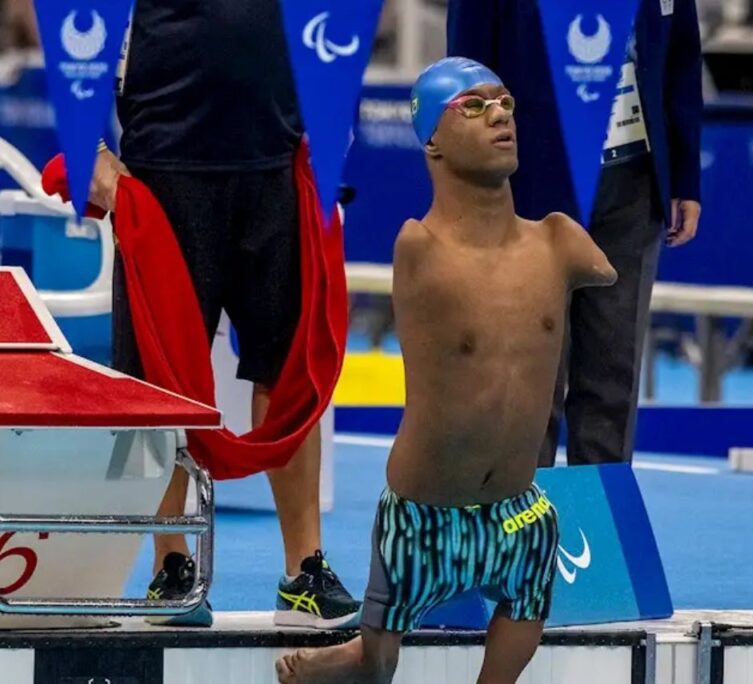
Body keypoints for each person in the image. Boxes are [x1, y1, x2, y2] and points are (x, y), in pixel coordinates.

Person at [275, 57, 617, 684]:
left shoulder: (558, 243)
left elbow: (607, 271)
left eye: (506, 101)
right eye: (473, 105)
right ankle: (356, 655)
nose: (500, 115)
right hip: (424, 513)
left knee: (528, 599)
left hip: (517, 508)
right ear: (430, 138)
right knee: (378, 667)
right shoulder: (419, 247)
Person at [89, 0, 359, 629]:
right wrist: (87, 148)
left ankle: (304, 573)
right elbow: (69, 18)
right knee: (156, 384)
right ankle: (171, 566)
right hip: (162, 170)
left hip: (278, 161)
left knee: (288, 371)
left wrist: (332, 112)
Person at [447, 0, 704, 467]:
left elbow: (681, 57)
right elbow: (467, 75)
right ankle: (520, 516)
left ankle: (602, 521)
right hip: (534, 184)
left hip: (633, 181)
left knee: (613, 370)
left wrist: (684, 175)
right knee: (531, 369)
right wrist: (476, 182)